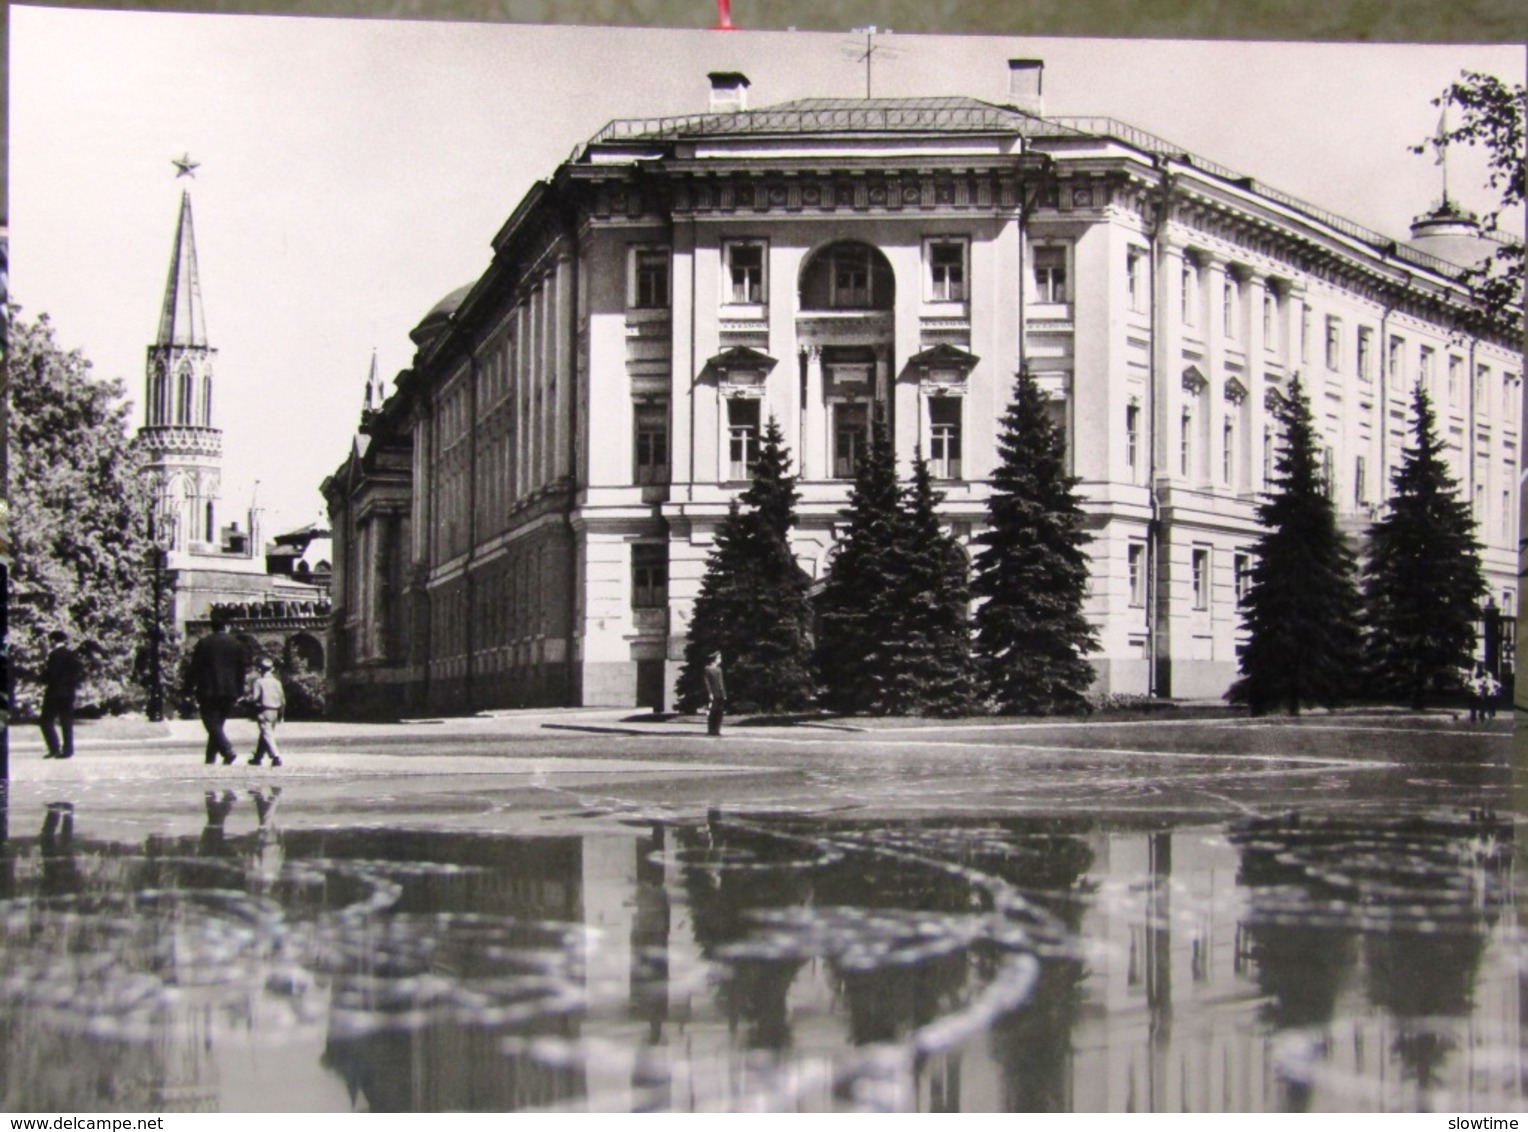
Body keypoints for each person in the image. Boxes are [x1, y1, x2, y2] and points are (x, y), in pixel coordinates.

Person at [189, 612, 248, 766]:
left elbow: (195, 668)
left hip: (208, 689)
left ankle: (227, 750)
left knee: (210, 721)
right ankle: (210, 758)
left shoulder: (204, 643)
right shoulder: (237, 644)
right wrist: (240, 690)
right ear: (227, 626)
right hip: (229, 690)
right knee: (218, 723)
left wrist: (188, 688)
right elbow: (242, 669)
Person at [39, 629, 84, 760]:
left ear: (53, 641)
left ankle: (54, 748)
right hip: (68, 693)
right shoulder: (72, 655)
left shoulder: (53, 655)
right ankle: (68, 750)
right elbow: (78, 672)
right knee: (66, 721)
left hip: (54, 693)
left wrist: (41, 677)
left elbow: (50, 674)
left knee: (45, 721)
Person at [245, 655, 286, 767]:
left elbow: (254, 697)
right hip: (275, 711)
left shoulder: (259, 682)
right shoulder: (277, 682)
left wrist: (246, 698)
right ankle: (258, 757)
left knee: (267, 733)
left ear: (259, 669)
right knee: (265, 734)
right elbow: (282, 699)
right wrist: (281, 714)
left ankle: (275, 756)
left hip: (264, 710)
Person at [704, 652, 727, 737]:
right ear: (714, 660)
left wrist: (724, 693)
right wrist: (709, 693)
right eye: (719, 658)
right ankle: (711, 729)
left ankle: (717, 730)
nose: (720, 660)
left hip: (720, 693)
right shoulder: (708, 669)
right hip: (713, 693)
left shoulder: (719, 669)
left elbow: (721, 682)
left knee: (719, 712)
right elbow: (707, 682)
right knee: (712, 711)